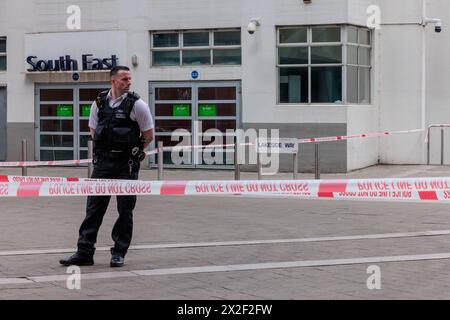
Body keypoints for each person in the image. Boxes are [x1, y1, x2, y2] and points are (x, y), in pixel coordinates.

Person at [60, 66, 154, 267]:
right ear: (113, 81)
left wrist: (135, 151)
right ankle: (84, 252)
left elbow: (148, 135)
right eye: (124, 79)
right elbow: (93, 130)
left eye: (130, 78)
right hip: (103, 164)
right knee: (93, 209)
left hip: (126, 166)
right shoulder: (99, 103)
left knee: (125, 211)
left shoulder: (137, 104)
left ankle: (118, 252)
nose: (128, 82)